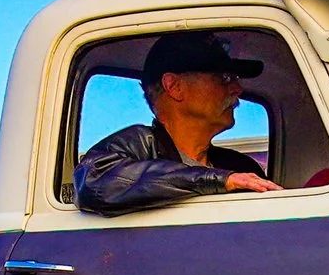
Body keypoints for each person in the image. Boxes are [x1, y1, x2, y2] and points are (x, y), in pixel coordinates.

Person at [74, 31, 282, 215]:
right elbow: (94, 181)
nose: (238, 88)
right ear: (174, 86)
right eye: (224, 77)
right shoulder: (137, 145)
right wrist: (218, 181)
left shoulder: (241, 166)